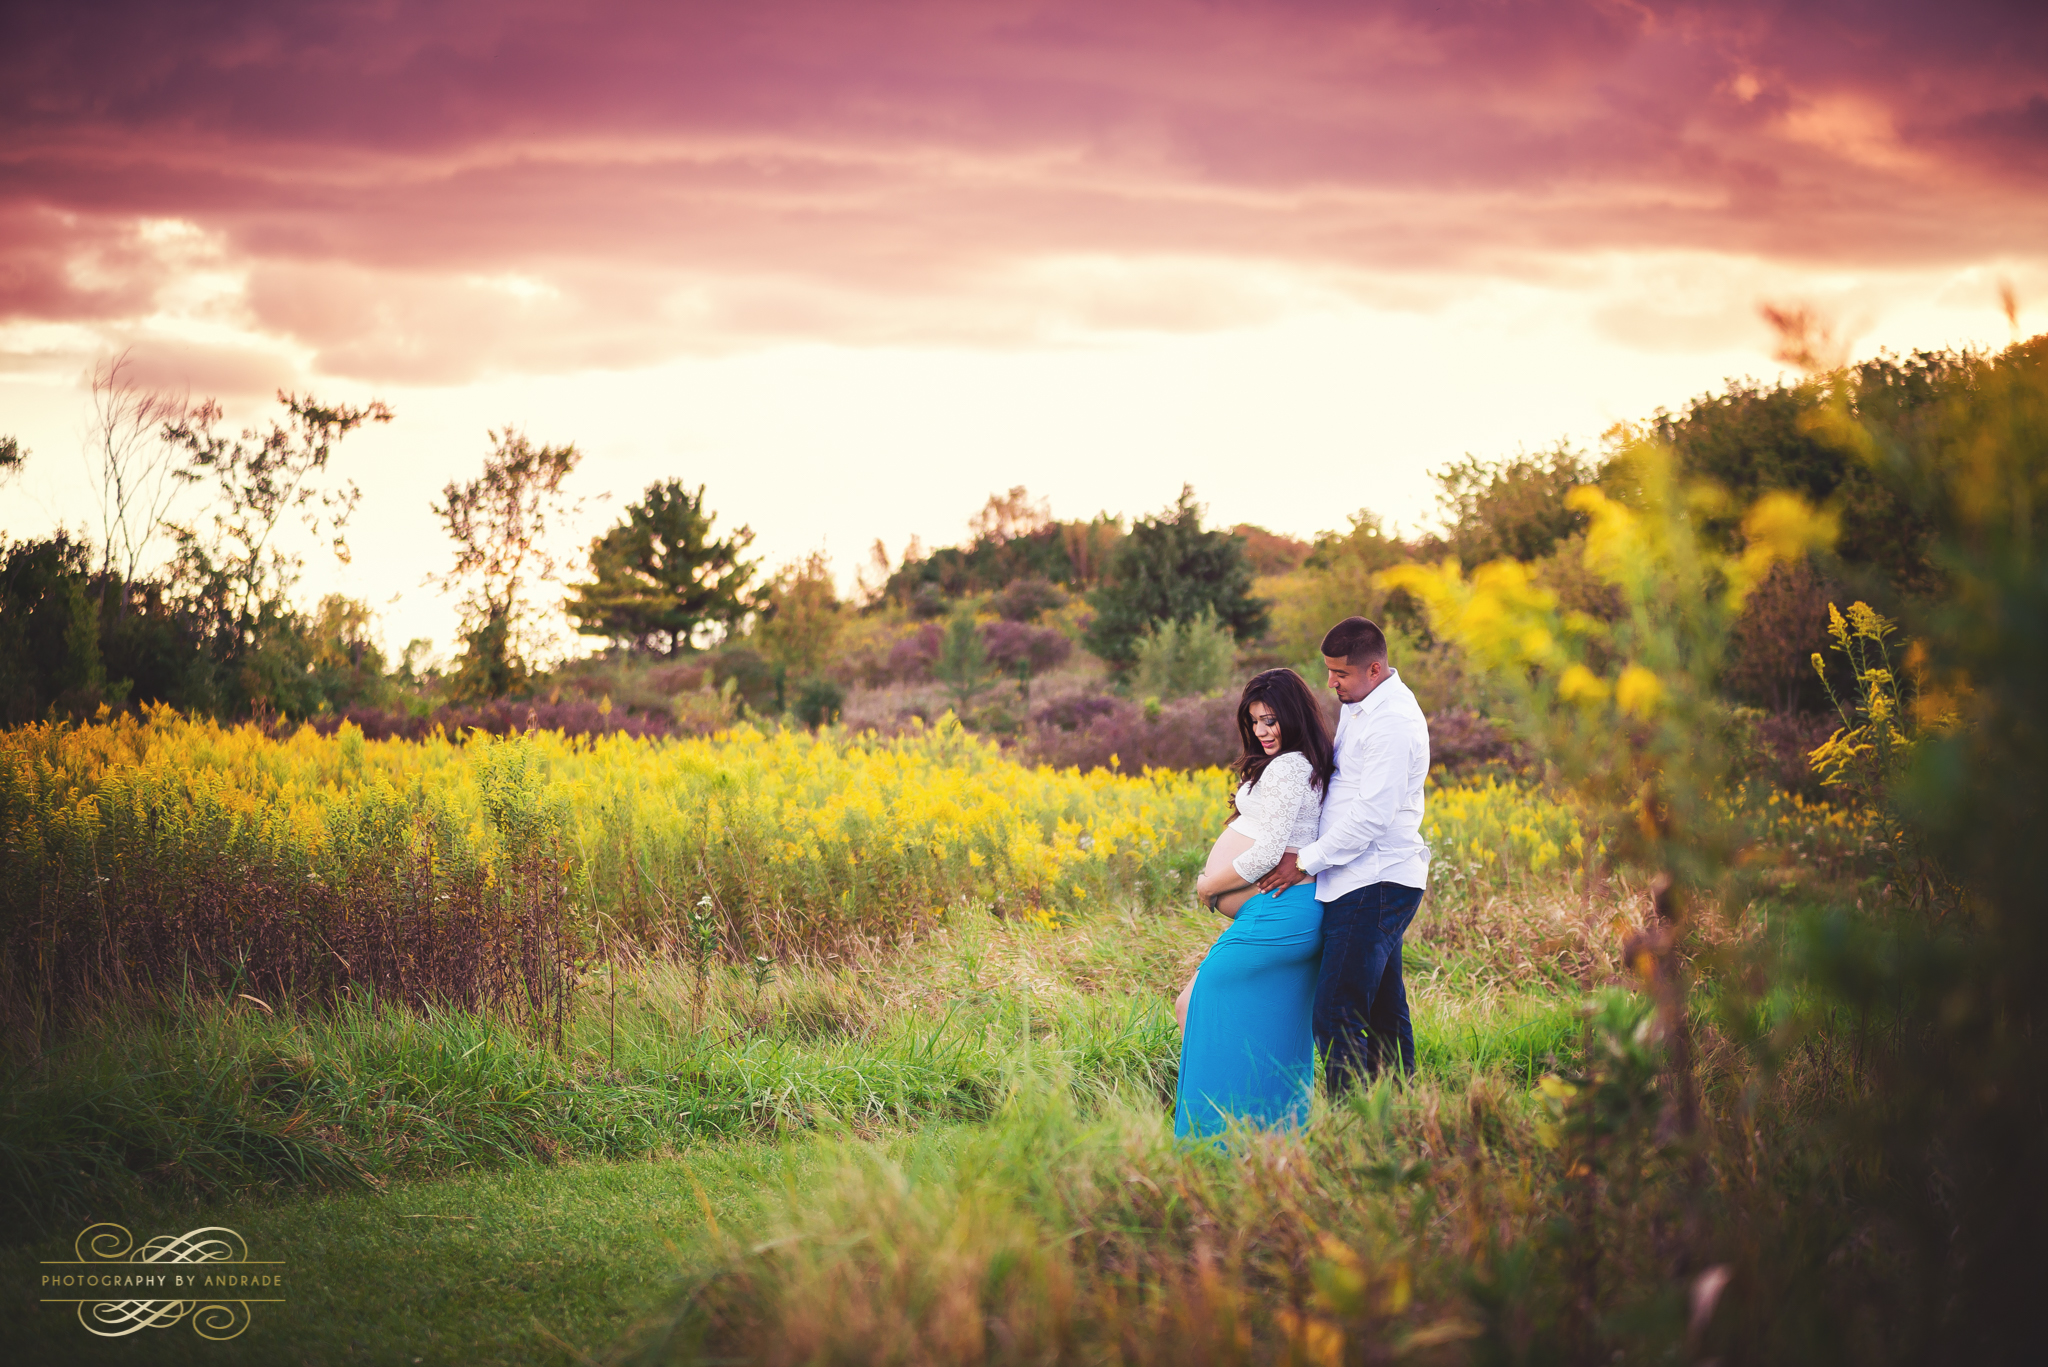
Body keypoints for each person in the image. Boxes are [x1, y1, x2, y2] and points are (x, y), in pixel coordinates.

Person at [1256, 615, 1429, 1092]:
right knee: (1382, 1014)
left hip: (1374, 881)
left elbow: (1371, 818)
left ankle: (1347, 1133)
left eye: (1341, 674)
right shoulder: (1362, 701)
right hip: (1357, 879)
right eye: (1328, 671)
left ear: (1374, 669)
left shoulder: (1393, 722)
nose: (1331, 683)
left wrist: (1303, 861)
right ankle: (1401, 1118)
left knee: (1335, 1012)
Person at [1174, 668, 1334, 1141]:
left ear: (1293, 715)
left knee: (1194, 1004)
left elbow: (1267, 854)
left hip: (1281, 914)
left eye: (1271, 721)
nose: (1263, 732)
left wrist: (1207, 886)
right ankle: (1267, 1144)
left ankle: (1216, 1141)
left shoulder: (1288, 767)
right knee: (1276, 1029)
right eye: (1255, 723)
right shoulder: (1299, 761)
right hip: (1287, 913)